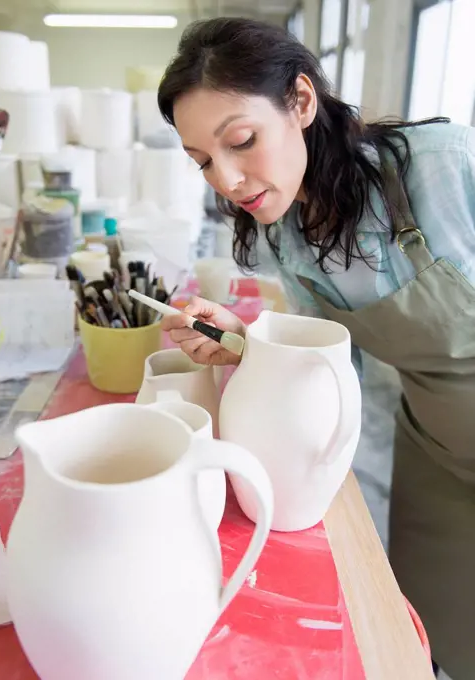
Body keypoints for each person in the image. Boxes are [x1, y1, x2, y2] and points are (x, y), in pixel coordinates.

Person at [157, 17, 475, 679]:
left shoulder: (439, 167)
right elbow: (330, 363)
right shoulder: (286, 235)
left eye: (242, 141)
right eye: (203, 161)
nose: (228, 178)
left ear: (301, 101)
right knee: (438, 627)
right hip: (439, 451)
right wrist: (247, 345)